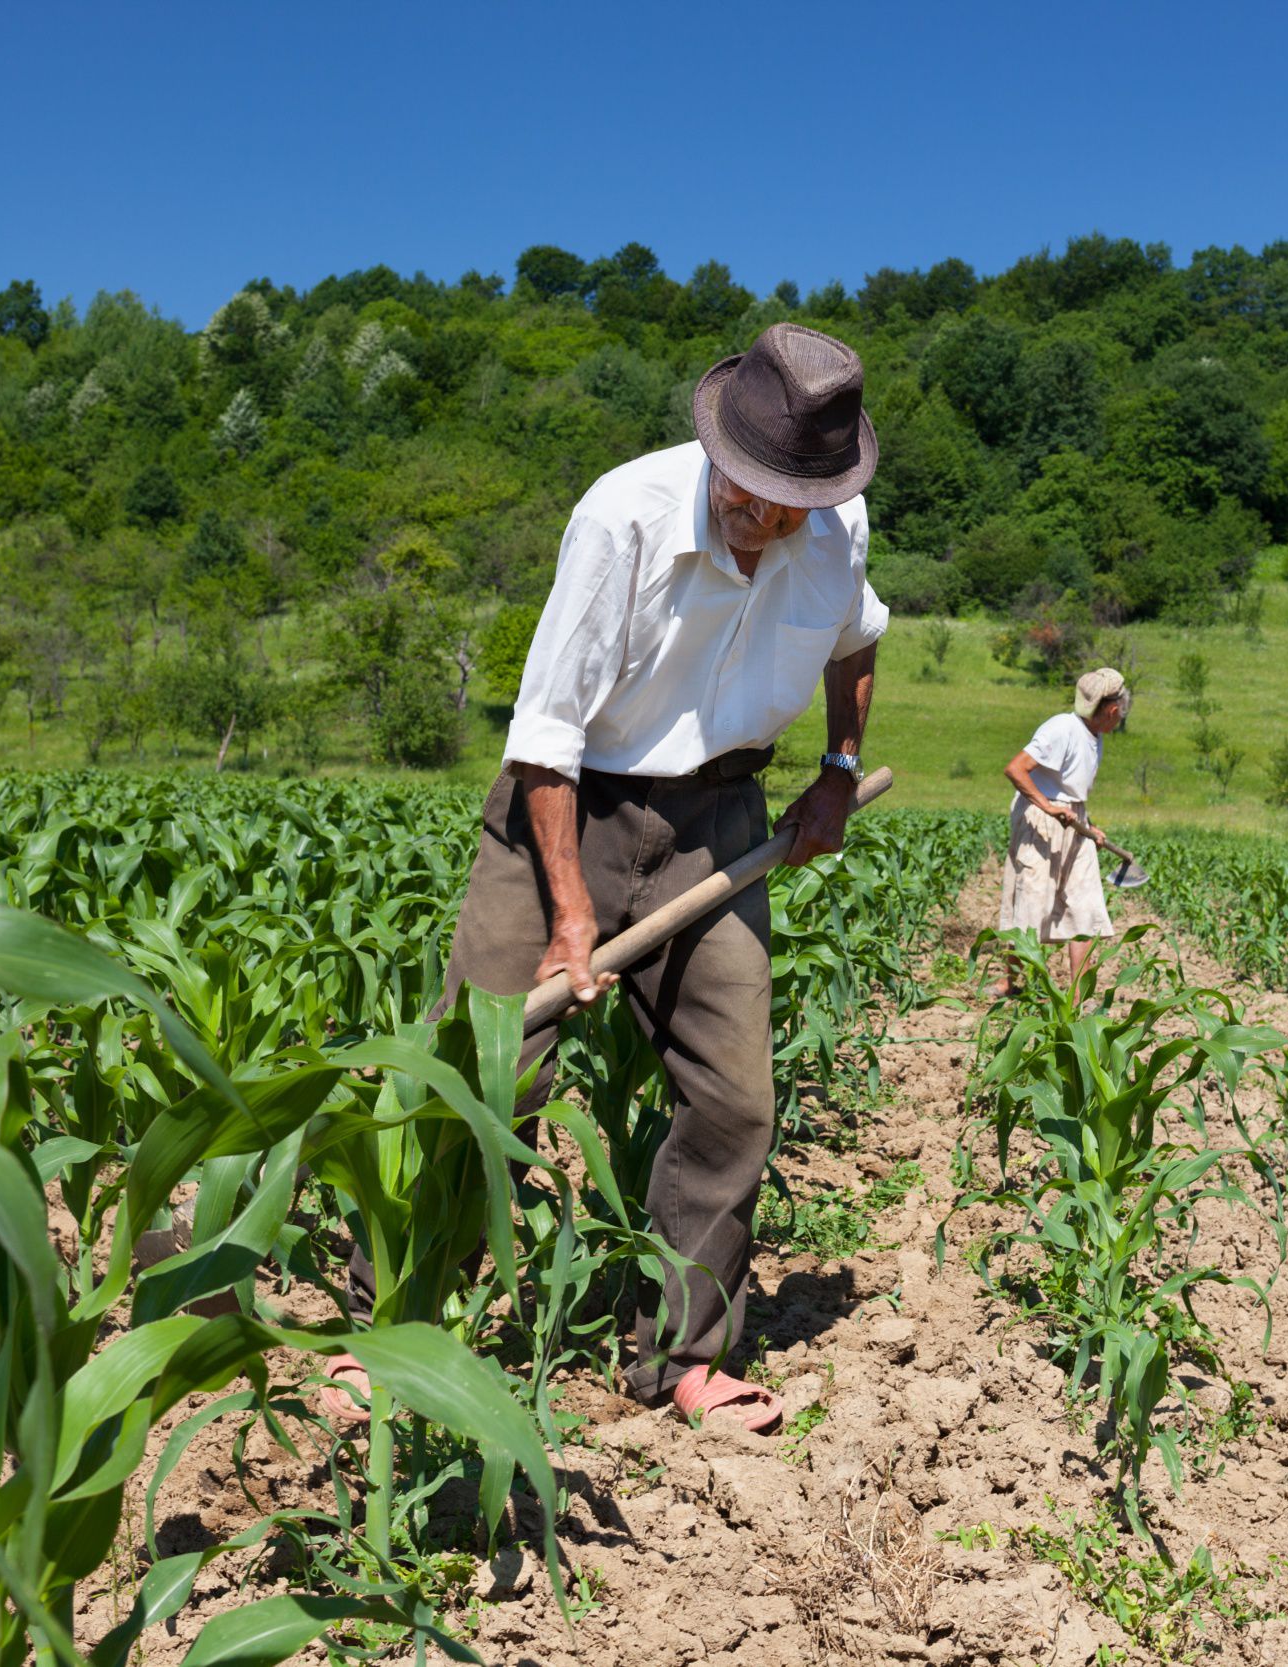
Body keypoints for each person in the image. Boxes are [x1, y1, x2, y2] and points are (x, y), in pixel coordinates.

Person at [321, 322, 886, 1434]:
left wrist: (836, 768)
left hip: (721, 819)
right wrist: (571, 908)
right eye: (751, 487)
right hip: (566, 810)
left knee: (734, 1098)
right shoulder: (621, 514)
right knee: (482, 1071)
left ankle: (684, 1354)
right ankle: (386, 1321)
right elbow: (546, 732)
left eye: (791, 500)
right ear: (718, 445)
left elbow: (856, 641)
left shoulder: (835, 526)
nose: (766, 516)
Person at [995, 668, 1128, 994]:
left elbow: (1071, 790)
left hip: (1073, 821)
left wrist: (1089, 825)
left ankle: (1078, 1000)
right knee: (1029, 906)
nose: (1122, 715)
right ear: (1112, 709)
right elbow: (1015, 769)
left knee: (1085, 908)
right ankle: (1013, 983)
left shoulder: (1094, 738)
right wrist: (1048, 806)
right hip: (1040, 823)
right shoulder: (1061, 729)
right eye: (1121, 708)